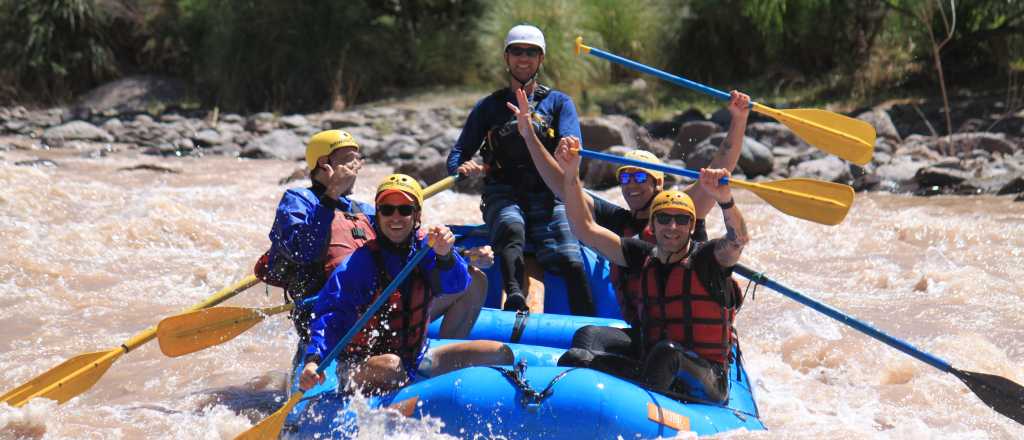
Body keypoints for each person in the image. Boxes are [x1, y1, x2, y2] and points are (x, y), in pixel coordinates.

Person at [554, 139, 749, 403]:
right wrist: (570, 174)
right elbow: (584, 228)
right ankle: (581, 405)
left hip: (706, 376)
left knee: (666, 354)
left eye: (681, 220)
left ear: (692, 227)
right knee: (584, 344)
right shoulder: (641, 255)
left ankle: (639, 409)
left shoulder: (707, 259)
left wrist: (726, 202)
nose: (672, 227)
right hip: (653, 360)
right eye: (664, 219)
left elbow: (737, 240)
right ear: (652, 227)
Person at [258, 129, 489, 343]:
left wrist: (459, 254)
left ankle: (433, 360)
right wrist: (330, 196)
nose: (358, 166)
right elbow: (303, 251)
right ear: (324, 163)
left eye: (359, 159)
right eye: (350, 158)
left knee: (473, 282)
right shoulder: (297, 200)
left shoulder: (363, 210)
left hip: (377, 304)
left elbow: (408, 247)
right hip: (329, 313)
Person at [300, 175, 513, 393]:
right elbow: (331, 314)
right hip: (360, 366)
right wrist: (314, 359)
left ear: (416, 215)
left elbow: (456, 286)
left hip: (416, 357)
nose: (395, 217)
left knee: (499, 353)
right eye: (387, 209)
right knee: (393, 367)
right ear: (378, 213)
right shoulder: (360, 263)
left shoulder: (426, 249)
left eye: (404, 210)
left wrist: (446, 255)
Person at [447, 24, 594, 315]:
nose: (523, 58)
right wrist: (464, 168)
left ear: (540, 60)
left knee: (572, 259)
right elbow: (456, 155)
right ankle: (513, 295)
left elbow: (573, 148)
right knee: (512, 226)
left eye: (531, 52)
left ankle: (588, 322)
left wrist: (568, 148)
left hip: (549, 194)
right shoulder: (488, 107)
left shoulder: (558, 103)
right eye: (516, 51)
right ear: (507, 58)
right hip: (502, 190)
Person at [506, 86, 752, 242]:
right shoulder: (618, 220)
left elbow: (722, 163)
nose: (631, 185)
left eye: (640, 178)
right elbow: (563, 187)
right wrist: (529, 135)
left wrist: (739, 119)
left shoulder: (686, 209)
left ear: (659, 183)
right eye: (625, 178)